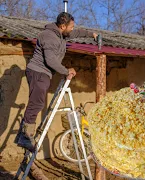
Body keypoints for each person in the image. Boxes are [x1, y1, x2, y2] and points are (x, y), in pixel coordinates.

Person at [14, 12, 98, 180]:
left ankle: (24, 134)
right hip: (38, 72)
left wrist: (92, 35)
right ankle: (25, 136)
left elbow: (77, 33)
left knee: (36, 102)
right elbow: (51, 60)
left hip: (44, 73)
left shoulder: (61, 33)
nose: (72, 29)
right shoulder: (48, 36)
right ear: (62, 26)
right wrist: (66, 71)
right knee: (37, 103)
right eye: (71, 27)